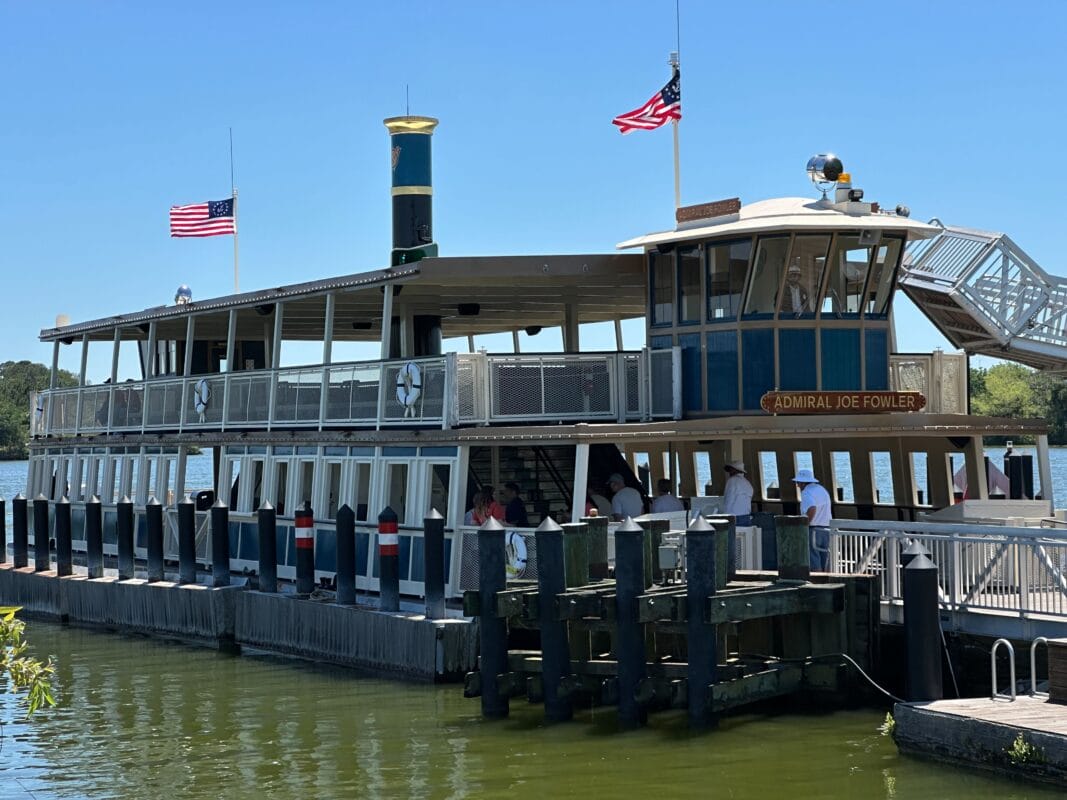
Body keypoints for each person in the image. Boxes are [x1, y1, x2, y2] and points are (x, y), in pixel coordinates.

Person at [793, 468, 832, 571]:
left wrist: (804, 525)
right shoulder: (822, 490)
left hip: (813, 530)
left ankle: (816, 583)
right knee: (825, 560)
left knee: (813, 559)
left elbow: (812, 508)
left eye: (798, 482)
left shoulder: (806, 492)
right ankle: (826, 581)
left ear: (802, 483)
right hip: (827, 529)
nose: (797, 485)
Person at [723, 460, 754, 525]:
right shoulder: (747, 483)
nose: (729, 472)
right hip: (746, 515)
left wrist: (725, 515)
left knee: (733, 534)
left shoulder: (732, 481)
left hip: (734, 516)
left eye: (731, 470)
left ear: (735, 470)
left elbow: (729, 499)